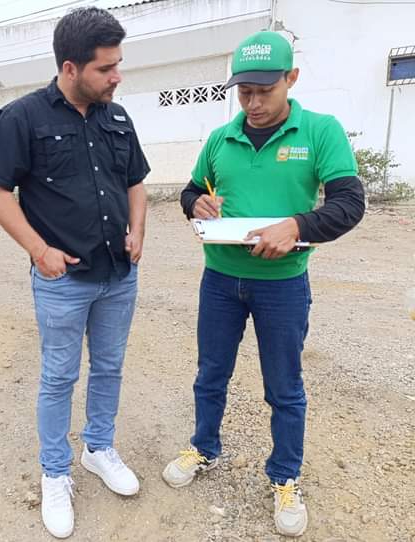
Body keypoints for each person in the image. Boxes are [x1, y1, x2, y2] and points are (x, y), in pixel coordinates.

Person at [163, 30, 365, 538]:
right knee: (211, 374)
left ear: (291, 79)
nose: (253, 103)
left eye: (264, 91)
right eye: (244, 92)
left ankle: (285, 477)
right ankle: (204, 448)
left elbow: (349, 203)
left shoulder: (319, 131)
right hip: (219, 280)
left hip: (282, 285)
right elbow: (190, 191)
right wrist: (195, 204)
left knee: (284, 387)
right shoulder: (221, 138)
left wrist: (296, 225)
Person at [0, 7, 150, 539]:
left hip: (118, 274)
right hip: (63, 281)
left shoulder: (117, 118)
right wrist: (38, 249)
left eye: (118, 64)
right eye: (106, 68)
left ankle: (98, 448)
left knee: (110, 367)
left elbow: (136, 182)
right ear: (71, 68)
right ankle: (55, 471)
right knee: (58, 377)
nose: (117, 76)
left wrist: (138, 231)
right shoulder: (23, 118)